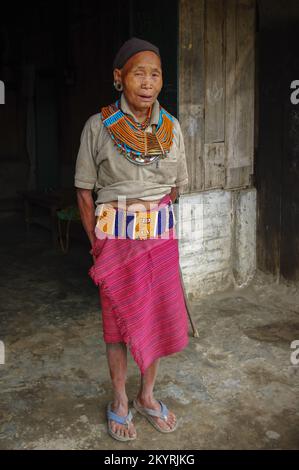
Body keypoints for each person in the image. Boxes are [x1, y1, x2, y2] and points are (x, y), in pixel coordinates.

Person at [74, 37, 189, 442]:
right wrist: (97, 241)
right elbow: (85, 191)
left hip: (158, 241)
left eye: (155, 74)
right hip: (114, 241)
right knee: (117, 327)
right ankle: (120, 400)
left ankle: (147, 396)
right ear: (119, 78)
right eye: (139, 73)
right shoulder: (98, 126)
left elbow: (176, 189)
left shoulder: (171, 128)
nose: (147, 82)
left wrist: (150, 220)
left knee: (155, 319)